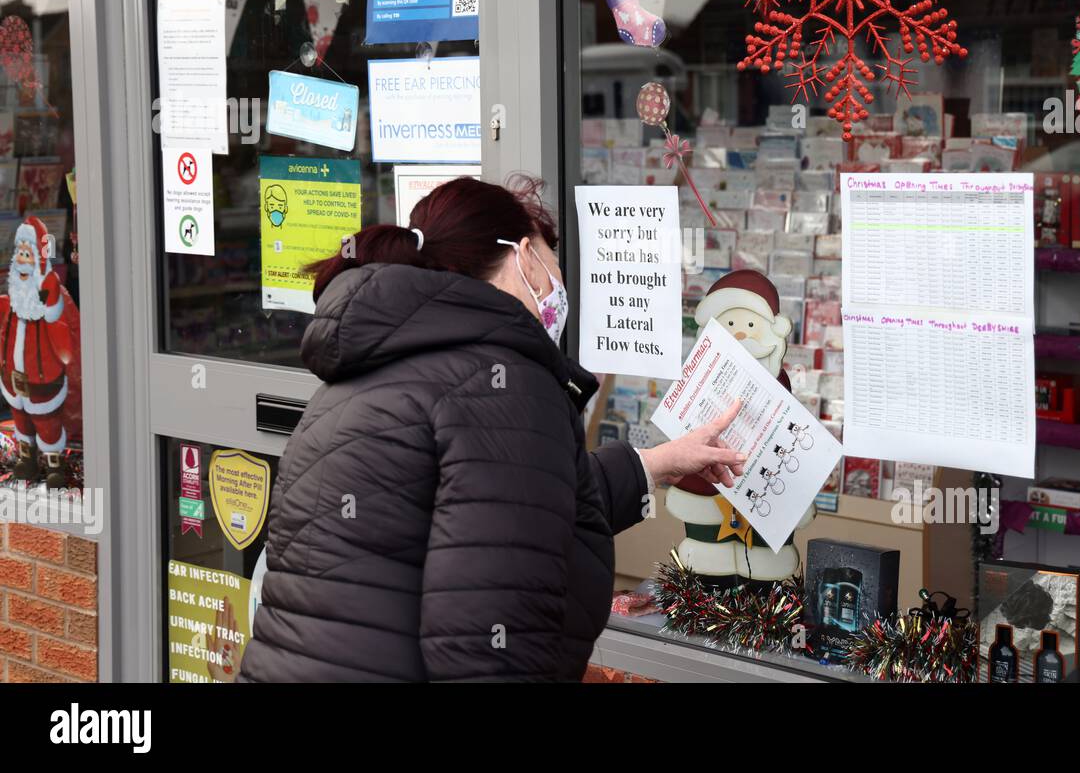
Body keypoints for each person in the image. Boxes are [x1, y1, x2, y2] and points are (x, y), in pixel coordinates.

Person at [239, 176, 745, 682]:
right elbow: (490, 648)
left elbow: (502, 500)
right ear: (524, 256)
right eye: (552, 256)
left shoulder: (365, 372)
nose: (559, 280)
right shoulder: (504, 385)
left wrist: (655, 463)